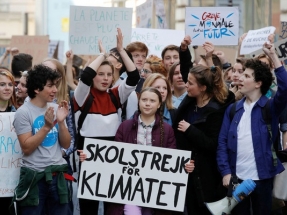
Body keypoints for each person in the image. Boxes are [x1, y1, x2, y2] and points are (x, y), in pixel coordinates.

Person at [79, 87, 194, 215]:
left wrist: (184, 166)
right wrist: (90, 159)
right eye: (144, 99)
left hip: (154, 191)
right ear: (139, 102)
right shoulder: (125, 126)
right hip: (129, 190)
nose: (147, 103)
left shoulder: (167, 130)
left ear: (159, 104)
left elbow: (172, 158)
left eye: (152, 100)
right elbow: (113, 158)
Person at [74, 28, 140, 215]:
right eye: (100, 74)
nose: (105, 79)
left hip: (113, 153)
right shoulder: (82, 96)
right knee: (89, 208)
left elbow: (134, 77)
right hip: (89, 154)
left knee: (114, 208)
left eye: (108, 75)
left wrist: (121, 50)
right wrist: (102, 55)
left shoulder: (115, 94)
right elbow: (85, 76)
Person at [217, 41, 287, 215]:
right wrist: (226, 172)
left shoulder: (269, 107)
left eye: (247, 76)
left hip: (262, 179)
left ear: (258, 83)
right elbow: (222, 143)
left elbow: (285, 88)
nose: (240, 78)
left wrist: (273, 56)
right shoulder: (233, 109)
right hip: (237, 180)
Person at [173, 63, 235, 214]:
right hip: (188, 171)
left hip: (208, 176)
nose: (186, 85)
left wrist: (190, 130)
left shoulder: (216, 111)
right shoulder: (188, 103)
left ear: (203, 88)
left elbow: (213, 143)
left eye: (191, 83)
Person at [13, 64, 71, 214]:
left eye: (55, 85)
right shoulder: (23, 113)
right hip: (35, 179)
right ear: (37, 89)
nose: (55, 90)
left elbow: (66, 144)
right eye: (50, 86)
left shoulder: (55, 107)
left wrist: (62, 122)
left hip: (58, 177)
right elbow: (26, 147)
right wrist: (46, 127)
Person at [0, 69, 17, 215]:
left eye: (10, 84)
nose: (7, 88)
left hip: (9, 180)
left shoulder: (18, 113)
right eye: (2, 84)